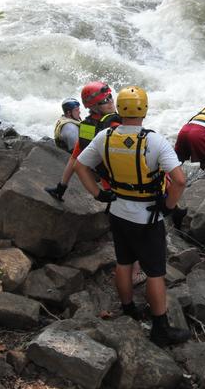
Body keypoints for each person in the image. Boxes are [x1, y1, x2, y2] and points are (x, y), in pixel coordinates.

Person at [74, 86, 191, 347]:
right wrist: (169, 207)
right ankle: (160, 329)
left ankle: (129, 310)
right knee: (155, 273)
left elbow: (80, 166)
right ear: (144, 109)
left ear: (121, 108)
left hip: (117, 212)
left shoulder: (105, 136)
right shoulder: (155, 141)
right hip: (147, 219)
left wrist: (97, 194)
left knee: (124, 263)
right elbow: (180, 181)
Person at [45, 82, 146, 285]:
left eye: (110, 98)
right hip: (124, 184)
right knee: (134, 227)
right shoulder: (117, 125)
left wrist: (62, 187)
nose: (111, 103)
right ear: (93, 106)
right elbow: (76, 158)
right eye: (105, 100)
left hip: (110, 184)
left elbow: (77, 158)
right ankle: (137, 271)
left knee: (125, 228)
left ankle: (131, 267)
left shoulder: (88, 125)